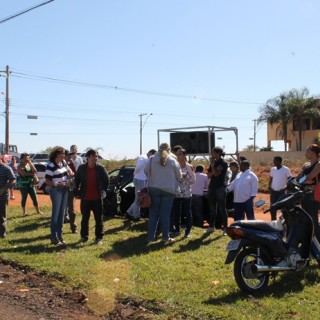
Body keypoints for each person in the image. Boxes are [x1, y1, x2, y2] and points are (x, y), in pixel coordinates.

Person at [144, 143, 181, 244]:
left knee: (153, 215)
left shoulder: (151, 159)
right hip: (169, 190)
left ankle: (150, 237)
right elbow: (179, 175)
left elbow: (145, 171)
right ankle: (165, 237)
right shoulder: (173, 160)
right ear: (169, 150)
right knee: (165, 215)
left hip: (154, 189)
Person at [74, 149, 109, 245]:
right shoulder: (81, 168)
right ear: (88, 158)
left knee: (99, 219)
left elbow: (107, 180)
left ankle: (99, 238)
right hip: (85, 198)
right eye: (93, 156)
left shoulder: (101, 168)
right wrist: (76, 192)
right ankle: (84, 237)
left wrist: (103, 191)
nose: (96, 158)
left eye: (97, 156)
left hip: (97, 198)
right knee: (85, 218)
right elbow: (77, 181)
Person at [45, 146, 73, 245]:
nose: (64, 155)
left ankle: (60, 235)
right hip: (56, 190)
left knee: (62, 213)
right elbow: (47, 181)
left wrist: (70, 176)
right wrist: (58, 184)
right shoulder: (51, 165)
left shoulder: (64, 163)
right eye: (62, 153)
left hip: (65, 189)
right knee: (56, 213)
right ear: (57, 154)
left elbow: (70, 172)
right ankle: (54, 236)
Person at [297, 144, 320, 242]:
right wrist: (305, 180)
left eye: (307, 151)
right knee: (306, 219)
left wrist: (304, 179)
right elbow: (299, 178)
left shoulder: (319, 164)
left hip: (313, 195)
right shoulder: (306, 165)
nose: (306, 153)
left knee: (313, 219)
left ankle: (318, 243)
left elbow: (310, 176)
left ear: (314, 153)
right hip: (304, 194)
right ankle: (309, 242)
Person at [126, 149, 157, 220]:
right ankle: (136, 215)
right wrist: (135, 174)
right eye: (152, 155)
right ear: (150, 153)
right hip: (140, 179)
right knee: (139, 198)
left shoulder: (144, 157)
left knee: (138, 198)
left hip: (140, 179)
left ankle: (129, 212)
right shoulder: (144, 158)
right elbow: (138, 168)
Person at [172, 149, 195, 238]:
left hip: (186, 193)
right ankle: (177, 229)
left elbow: (193, 181)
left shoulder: (189, 166)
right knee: (176, 212)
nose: (178, 156)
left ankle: (188, 231)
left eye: (180, 154)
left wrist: (185, 177)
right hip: (177, 192)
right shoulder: (175, 166)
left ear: (185, 155)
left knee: (187, 211)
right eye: (177, 154)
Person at [206, 147, 228, 234]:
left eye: (213, 153)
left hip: (220, 188)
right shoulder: (214, 163)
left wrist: (212, 166)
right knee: (212, 208)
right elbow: (208, 175)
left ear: (218, 153)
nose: (212, 154)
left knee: (222, 209)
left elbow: (215, 173)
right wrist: (212, 170)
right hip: (212, 187)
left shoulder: (223, 163)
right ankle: (211, 226)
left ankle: (225, 228)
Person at [0, 154, 15, 238]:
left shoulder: (6, 168)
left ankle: (2, 233)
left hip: (2, 196)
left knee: (1, 215)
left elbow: (13, 179)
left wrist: (4, 188)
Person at [64, 150, 77, 233]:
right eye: (68, 155)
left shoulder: (68, 164)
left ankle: (73, 228)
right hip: (61, 189)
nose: (70, 157)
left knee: (71, 210)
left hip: (70, 188)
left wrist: (70, 173)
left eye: (70, 155)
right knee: (61, 210)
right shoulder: (59, 164)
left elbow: (73, 173)